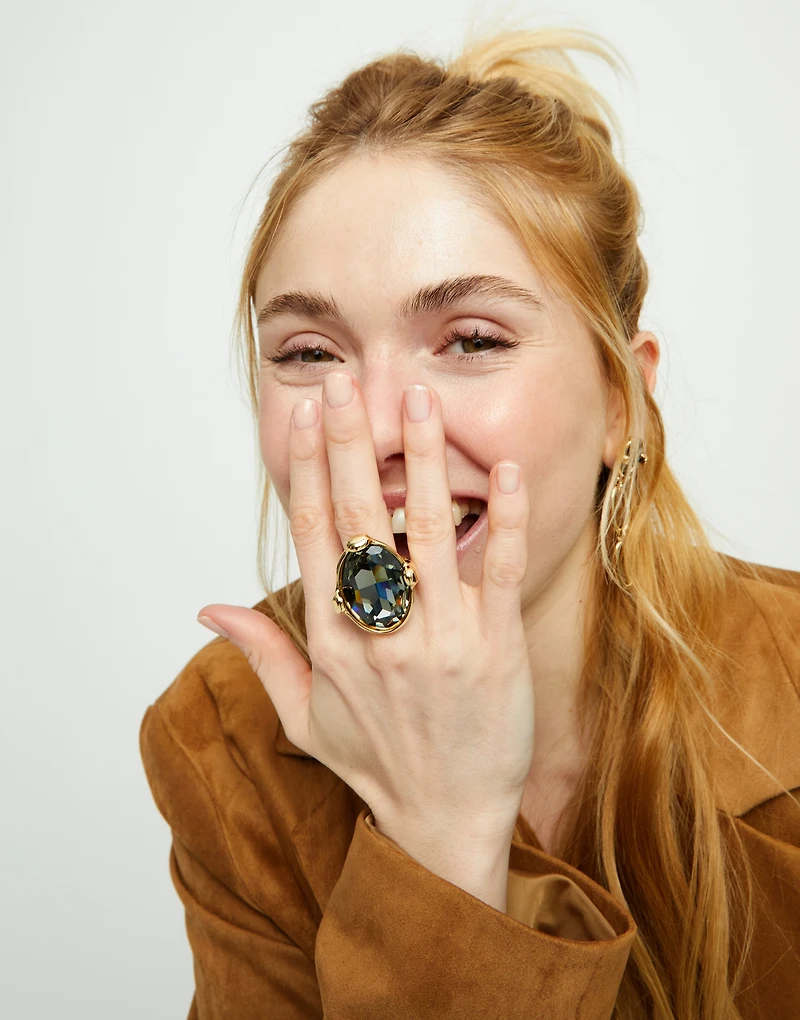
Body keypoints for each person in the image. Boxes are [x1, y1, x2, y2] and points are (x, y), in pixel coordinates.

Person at [139, 22, 800, 1020]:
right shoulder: (223, 738)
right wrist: (444, 840)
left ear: (621, 401)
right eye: (310, 353)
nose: (375, 427)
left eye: (472, 340)